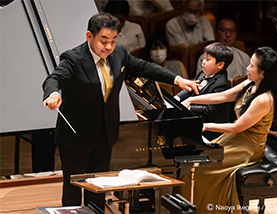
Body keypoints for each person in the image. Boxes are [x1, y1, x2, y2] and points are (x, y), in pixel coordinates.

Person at [42, 13, 199, 211]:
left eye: (113, 40)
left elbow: (145, 67)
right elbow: (54, 79)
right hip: (76, 135)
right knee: (73, 187)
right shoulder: (73, 58)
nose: (108, 46)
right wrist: (53, 93)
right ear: (89, 36)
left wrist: (176, 80)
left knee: (98, 185)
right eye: (104, 41)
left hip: (105, 133)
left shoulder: (119, 54)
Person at [176, 47, 277, 213]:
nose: (247, 68)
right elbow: (223, 96)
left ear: (263, 74)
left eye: (252, 66)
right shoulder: (250, 84)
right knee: (192, 164)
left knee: (202, 170)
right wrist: (191, 99)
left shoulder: (264, 99)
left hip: (248, 147)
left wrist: (205, 126)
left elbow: (237, 127)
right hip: (236, 139)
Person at [174, 42, 233, 140]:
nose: (203, 62)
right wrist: (177, 98)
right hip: (197, 120)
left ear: (220, 65)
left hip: (212, 131)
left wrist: (188, 107)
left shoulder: (221, 84)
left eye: (208, 59)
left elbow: (209, 110)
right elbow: (191, 88)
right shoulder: (202, 73)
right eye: (204, 58)